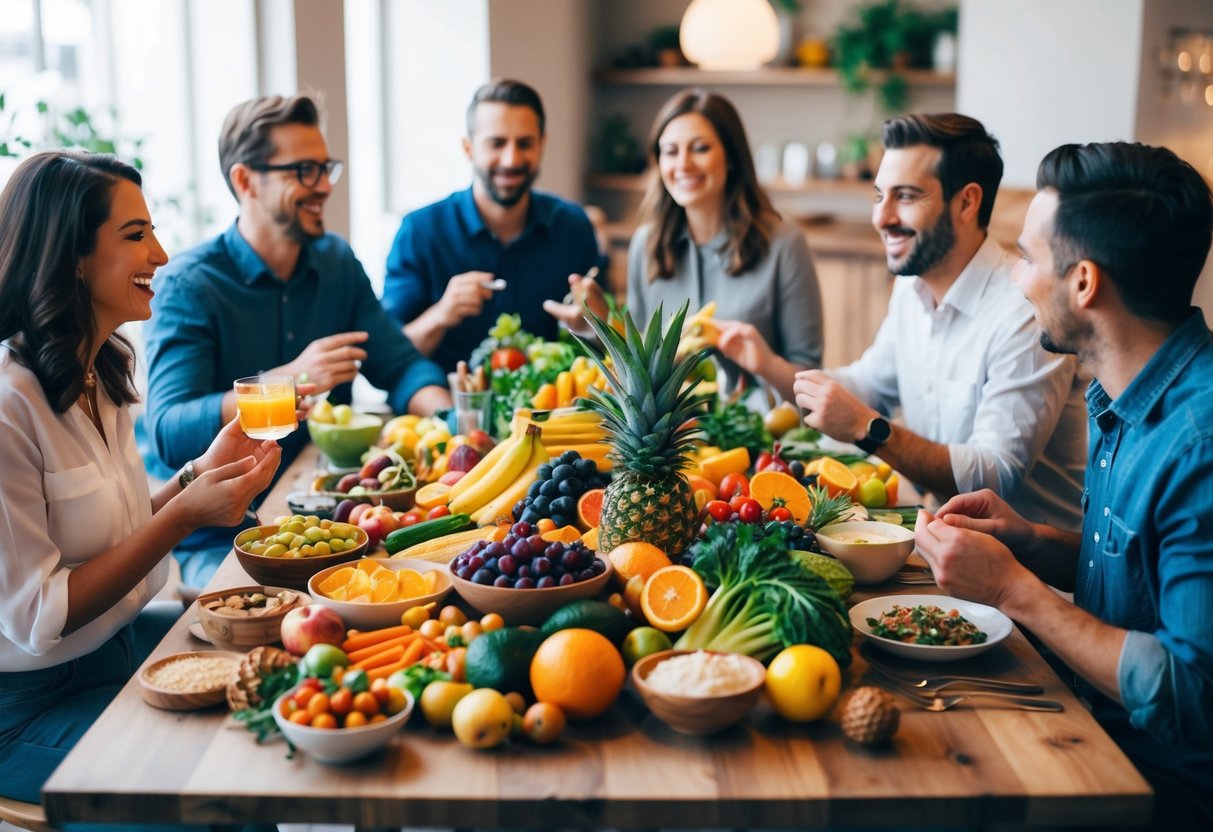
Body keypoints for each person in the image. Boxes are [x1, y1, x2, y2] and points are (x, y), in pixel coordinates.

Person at [915, 141, 1213, 831]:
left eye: (1026, 257)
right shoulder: (1127, 396)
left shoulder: (1199, 442)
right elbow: (1147, 572)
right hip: (1083, 715)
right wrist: (1031, 544)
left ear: (1081, 283)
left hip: (1154, 783)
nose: (1018, 281)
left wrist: (1011, 590)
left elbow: (1192, 693)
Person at [0, 151, 280, 807]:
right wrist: (185, 516)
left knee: (272, 689)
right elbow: (40, 615)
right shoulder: (9, 405)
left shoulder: (106, 363)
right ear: (70, 255)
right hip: (28, 710)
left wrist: (194, 476)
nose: (159, 253)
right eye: (135, 235)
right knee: (217, 787)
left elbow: (119, 527)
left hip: (120, 648)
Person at [144, 94, 450, 588]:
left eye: (327, 167)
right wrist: (283, 381)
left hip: (328, 512)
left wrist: (451, 420)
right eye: (305, 171)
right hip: (223, 531)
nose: (325, 186)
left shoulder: (336, 262)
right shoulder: (189, 284)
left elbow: (399, 364)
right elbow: (168, 428)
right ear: (245, 180)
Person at [793, 113, 1087, 530]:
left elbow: (995, 475)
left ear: (967, 202)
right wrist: (766, 366)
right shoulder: (912, 287)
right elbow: (869, 383)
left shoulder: (1024, 310)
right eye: (879, 196)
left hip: (1036, 572)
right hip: (943, 540)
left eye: (906, 196)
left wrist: (866, 427)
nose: (882, 217)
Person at [552, 88, 823, 403]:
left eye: (700, 148)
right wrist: (599, 323)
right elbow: (641, 367)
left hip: (757, 439)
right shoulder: (646, 244)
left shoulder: (784, 244)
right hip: (670, 440)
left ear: (732, 157)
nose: (683, 164)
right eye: (670, 151)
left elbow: (811, 383)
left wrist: (766, 363)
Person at [381, 79, 602, 374]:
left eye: (525, 143)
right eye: (496, 143)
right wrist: (440, 315)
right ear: (468, 147)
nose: (511, 159)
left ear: (542, 144)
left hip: (548, 413)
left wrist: (592, 329)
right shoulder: (419, 232)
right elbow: (385, 361)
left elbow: (602, 352)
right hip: (442, 408)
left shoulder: (573, 228)